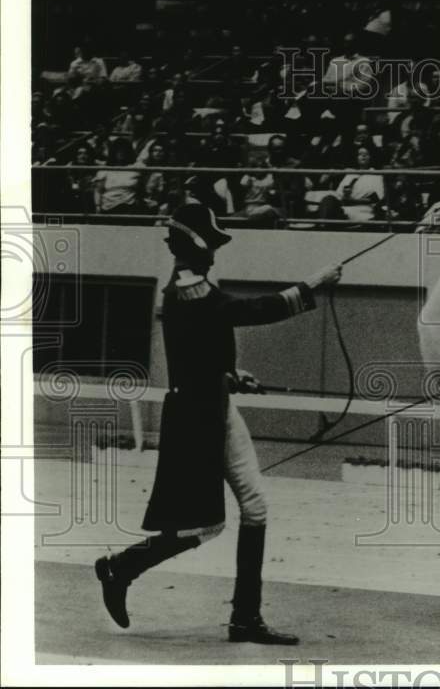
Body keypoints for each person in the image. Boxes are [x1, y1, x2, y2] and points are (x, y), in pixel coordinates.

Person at [95, 203, 342, 644]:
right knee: (207, 526)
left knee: (251, 510)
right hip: (199, 419)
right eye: (211, 242)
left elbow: (199, 343)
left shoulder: (189, 287)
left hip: (211, 408)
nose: (214, 251)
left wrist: (228, 373)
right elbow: (245, 310)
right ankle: (124, 569)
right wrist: (312, 286)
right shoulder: (191, 288)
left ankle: (242, 618)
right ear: (196, 244)